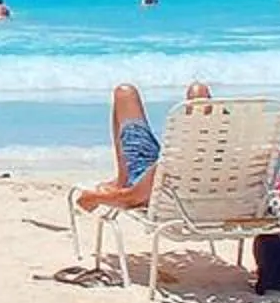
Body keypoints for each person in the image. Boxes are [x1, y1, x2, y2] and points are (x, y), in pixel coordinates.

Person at [74, 81, 210, 212]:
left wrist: (94, 198)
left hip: (163, 178)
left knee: (125, 93)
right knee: (198, 90)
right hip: (199, 170)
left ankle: (123, 180)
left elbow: (132, 198)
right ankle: (123, 180)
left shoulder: (172, 163)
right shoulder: (219, 157)